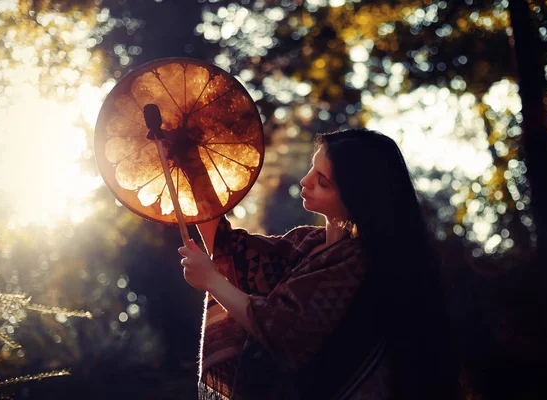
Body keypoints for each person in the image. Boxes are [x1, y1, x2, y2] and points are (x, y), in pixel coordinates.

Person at [178, 128, 460, 400]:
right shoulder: (306, 243)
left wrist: (213, 281)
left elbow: (281, 330)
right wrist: (190, 163)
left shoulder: (358, 263)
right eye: (312, 168)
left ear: (355, 199)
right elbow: (231, 248)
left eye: (322, 181)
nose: (305, 181)